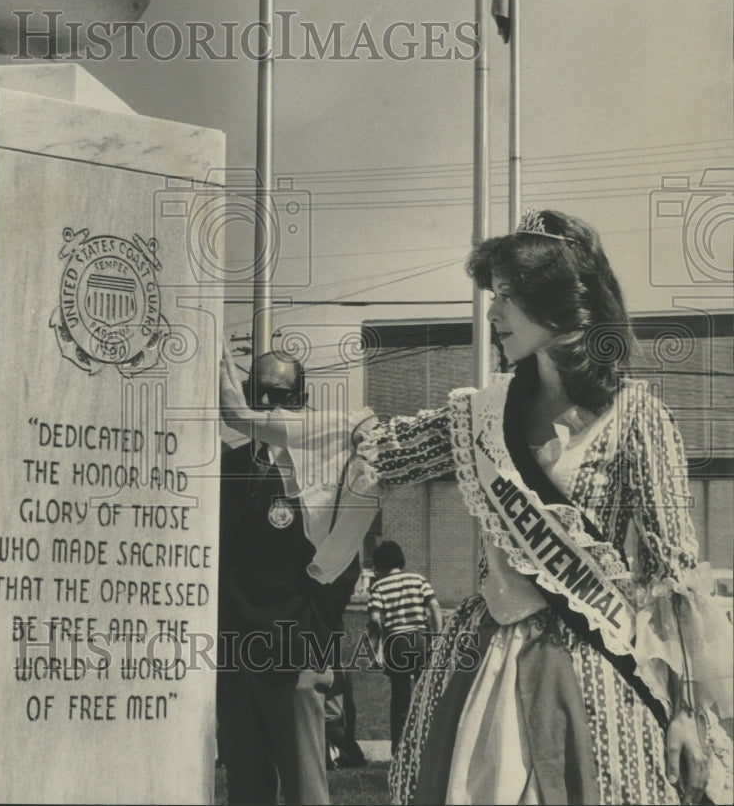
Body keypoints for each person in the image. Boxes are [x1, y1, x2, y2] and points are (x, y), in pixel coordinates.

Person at [220, 209, 733, 806]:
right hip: (484, 664)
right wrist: (254, 422)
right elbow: (375, 444)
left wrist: (686, 713)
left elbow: (674, 579)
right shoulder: (479, 415)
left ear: (560, 303)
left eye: (508, 297)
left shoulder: (641, 419)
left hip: (603, 669)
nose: (492, 314)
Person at [216, 349, 367, 805]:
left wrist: (310, 643)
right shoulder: (229, 466)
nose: (269, 405)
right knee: (246, 789)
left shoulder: (326, 471)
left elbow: (342, 568)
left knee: (305, 791)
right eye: (258, 395)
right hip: (234, 656)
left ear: (299, 400)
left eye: (280, 395)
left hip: (295, 657)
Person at [367, 540, 442, 756]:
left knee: (400, 697)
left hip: (396, 643)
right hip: (421, 639)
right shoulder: (419, 579)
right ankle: (426, 743)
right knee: (424, 693)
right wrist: (436, 639)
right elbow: (435, 607)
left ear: (380, 565)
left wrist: (376, 649)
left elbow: (374, 619)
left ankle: (399, 749)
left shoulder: (379, 586)